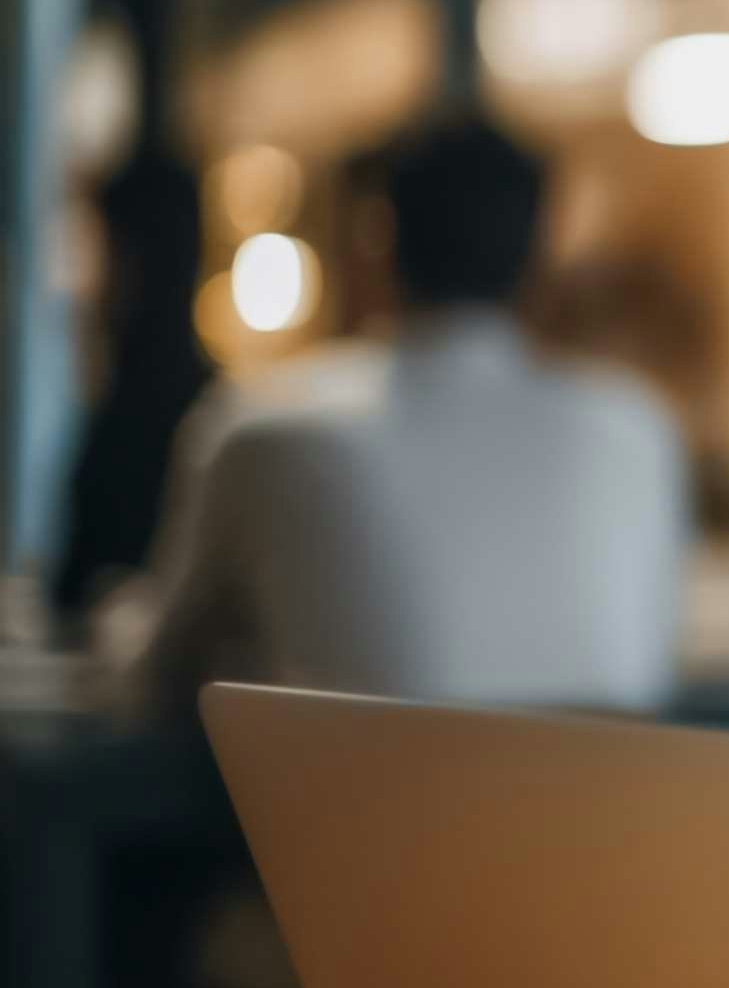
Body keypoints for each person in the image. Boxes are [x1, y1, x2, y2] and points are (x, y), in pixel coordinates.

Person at [123, 116, 689, 716]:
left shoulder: (263, 428)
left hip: (341, 809)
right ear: (540, 256)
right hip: (605, 808)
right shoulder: (642, 430)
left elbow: (158, 677)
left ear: (379, 242)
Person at [52, 154, 216, 623]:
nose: (86, 285)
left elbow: (80, 596)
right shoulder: (201, 405)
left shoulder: (166, 422)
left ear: (135, 263)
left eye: (99, 252)